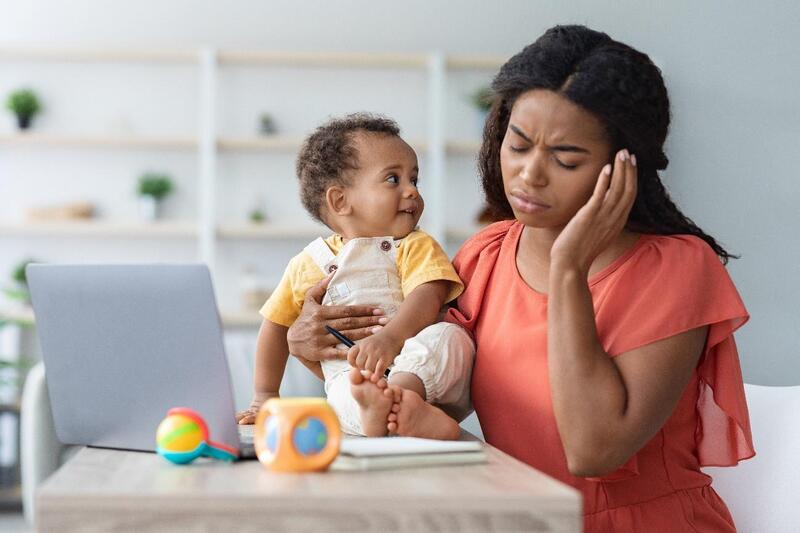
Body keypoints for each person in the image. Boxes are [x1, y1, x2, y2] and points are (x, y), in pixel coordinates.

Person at [286, 26, 754, 532]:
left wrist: (570, 268)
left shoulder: (676, 269)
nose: (530, 175)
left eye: (566, 158)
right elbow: (407, 391)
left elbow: (593, 450)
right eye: (519, 145)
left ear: (625, 167)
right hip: (524, 519)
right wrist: (312, 346)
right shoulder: (485, 256)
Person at [235, 113, 474, 439]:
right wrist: (264, 395)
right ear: (340, 200)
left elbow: (428, 294)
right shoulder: (307, 264)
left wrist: (391, 339)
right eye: (394, 180)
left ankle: (403, 397)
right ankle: (384, 411)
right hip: (356, 373)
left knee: (451, 339)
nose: (412, 192)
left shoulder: (414, 245)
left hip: (415, 365)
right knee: (345, 392)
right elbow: (275, 327)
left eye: (414, 180)